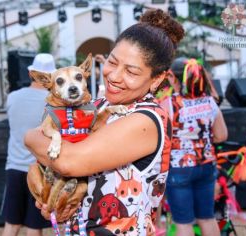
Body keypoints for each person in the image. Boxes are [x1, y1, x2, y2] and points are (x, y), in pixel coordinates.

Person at [25, 9, 185, 235]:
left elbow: (68, 161)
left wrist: (30, 138)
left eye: (131, 71)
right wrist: (58, 202)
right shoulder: (98, 106)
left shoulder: (146, 120)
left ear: (157, 79)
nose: (114, 75)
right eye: (112, 61)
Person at [163, 57, 228, 236]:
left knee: (183, 222)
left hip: (179, 168)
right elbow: (222, 135)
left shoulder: (168, 104)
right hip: (206, 166)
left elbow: (161, 139)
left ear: (174, 78)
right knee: (207, 217)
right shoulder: (209, 101)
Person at [1, 53, 56, 236]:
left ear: (31, 73)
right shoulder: (53, 103)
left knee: (11, 224)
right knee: (34, 226)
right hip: (40, 169)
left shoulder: (13, 97)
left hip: (15, 168)